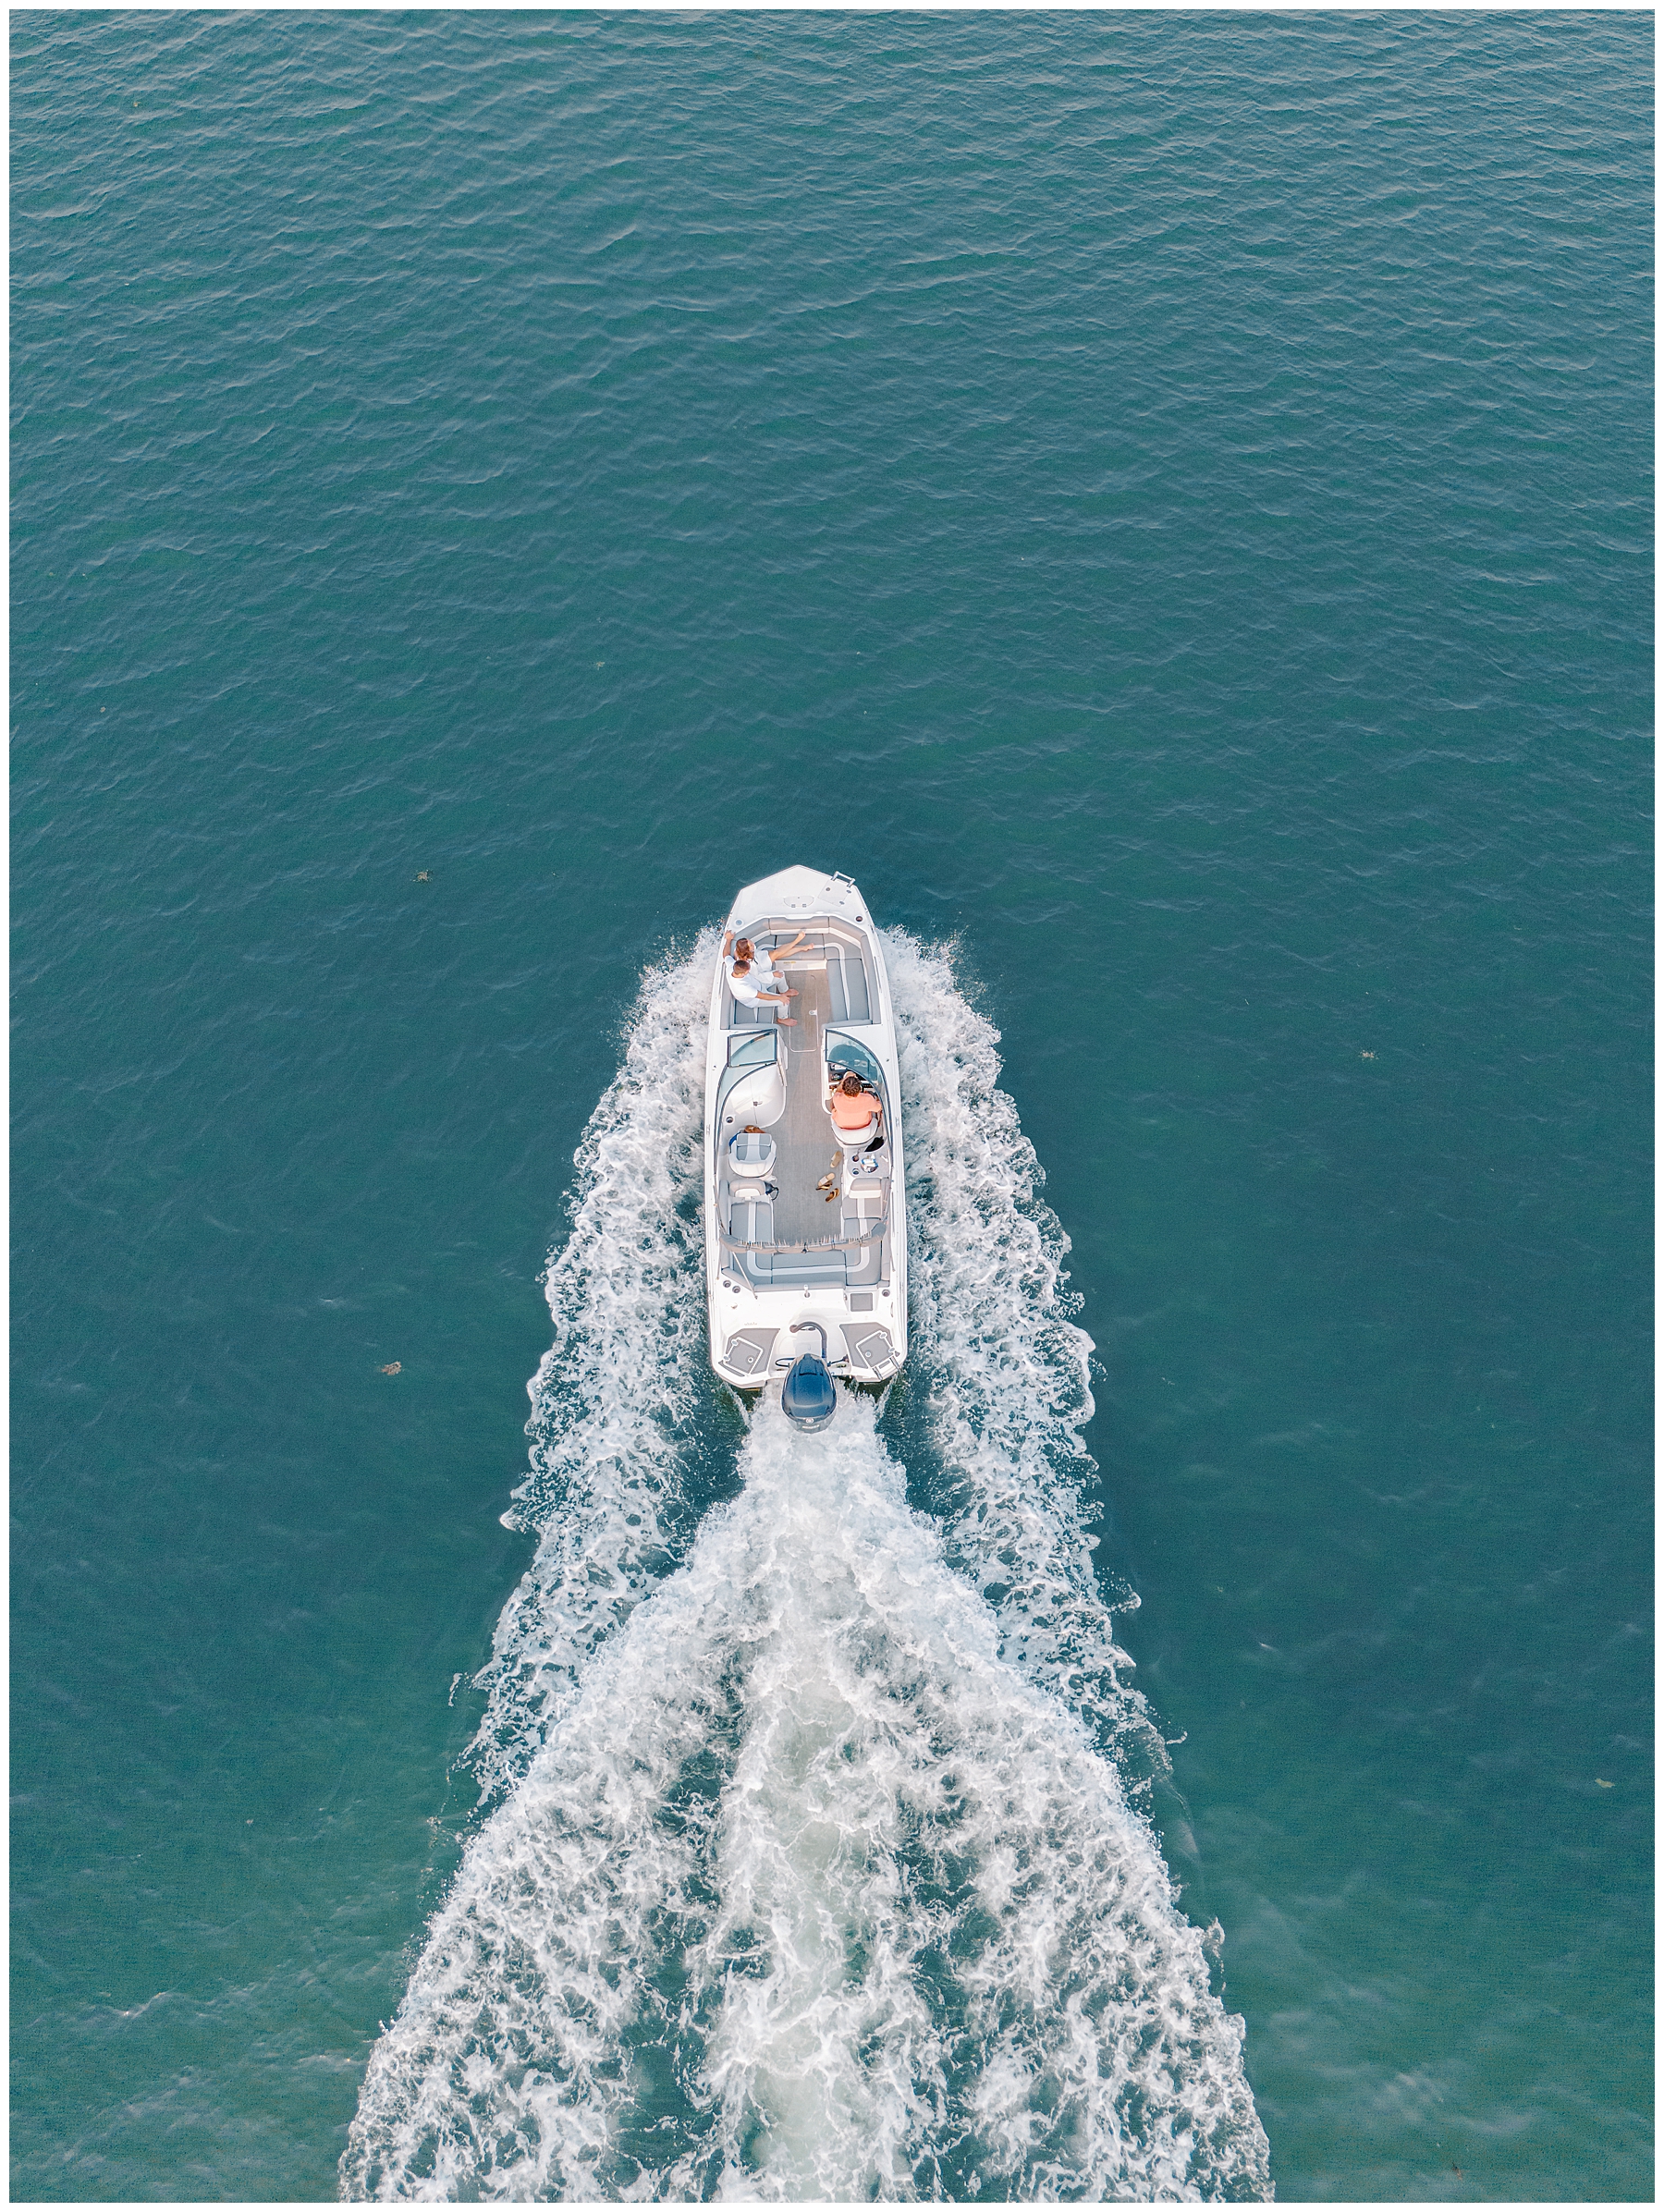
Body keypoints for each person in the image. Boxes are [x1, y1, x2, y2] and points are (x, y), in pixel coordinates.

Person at [723, 926, 807, 1022]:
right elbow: (762, 996)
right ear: (743, 974)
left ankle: (784, 991)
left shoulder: (731, 965)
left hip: (758, 983)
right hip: (755, 999)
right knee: (784, 1002)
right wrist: (780, 997)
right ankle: (782, 1018)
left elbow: (725, 955)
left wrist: (728, 940)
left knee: (781, 974)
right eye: (748, 970)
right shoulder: (743, 987)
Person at [827, 1069, 882, 1149]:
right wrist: (876, 1099)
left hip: (843, 1132)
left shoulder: (837, 1098)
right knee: (873, 1107)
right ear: (859, 1088)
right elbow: (878, 1108)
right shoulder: (867, 1099)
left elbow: (836, 1095)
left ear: (843, 1088)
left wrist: (846, 1077)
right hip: (865, 1130)